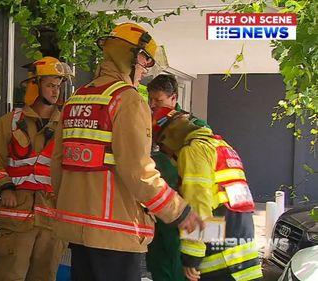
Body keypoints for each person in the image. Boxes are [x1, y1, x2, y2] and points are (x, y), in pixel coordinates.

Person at [50, 22, 204, 281]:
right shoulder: (127, 100)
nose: (143, 73)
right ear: (130, 57)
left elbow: (57, 164)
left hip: (76, 230)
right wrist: (180, 212)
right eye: (144, 64)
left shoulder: (76, 99)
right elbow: (139, 171)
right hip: (115, 232)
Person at [0, 56, 72, 281]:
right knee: (9, 276)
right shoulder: (9, 122)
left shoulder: (67, 125)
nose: (55, 92)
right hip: (17, 219)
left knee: (45, 277)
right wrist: (5, 189)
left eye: (58, 86)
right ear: (34, 85)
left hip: (51, 219)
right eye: (50, 85)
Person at [152, 107, 262, 281]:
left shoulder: (194, 151)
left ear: (170, 135)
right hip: (244, 259)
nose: (165, 151)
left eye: (162, 144)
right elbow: (220, 204)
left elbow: (199, 205)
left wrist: (192, 257)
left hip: (221, 263)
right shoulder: (223, 147)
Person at [146, 74, 209, 281]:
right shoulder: (148, 125)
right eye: (150, 100)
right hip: (158, 208)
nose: (153, 105)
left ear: (174, 99)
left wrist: (197, 251)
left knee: (183, 268)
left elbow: (202, 195)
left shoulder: (192, 127)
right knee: (158, 266)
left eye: (159, 100)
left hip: (184, 207)